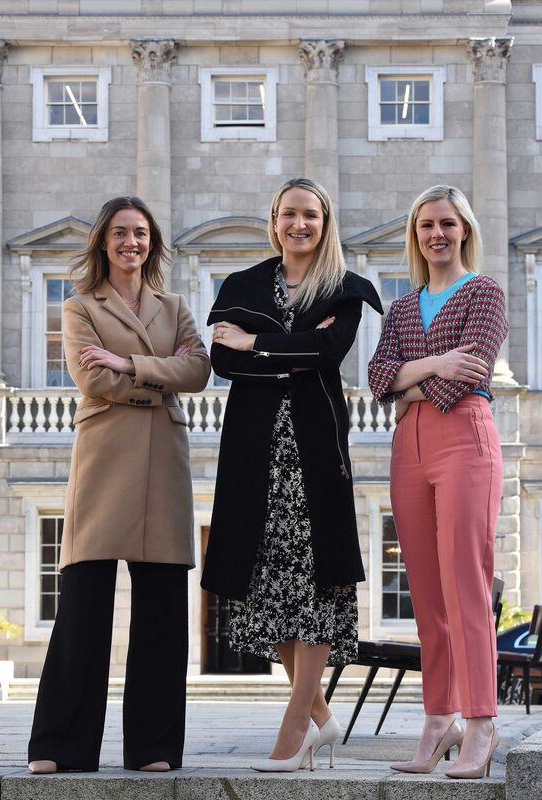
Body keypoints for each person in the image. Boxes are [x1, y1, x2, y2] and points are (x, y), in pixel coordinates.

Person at [201, 177, 383, 772]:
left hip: (315, 453)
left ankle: (295, 727)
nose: (299, 224)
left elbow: (327, 354)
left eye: (310, 214)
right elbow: (222, 361)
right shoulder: (242, 284)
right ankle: (323, 720)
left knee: (317, 581)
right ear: (273, 220)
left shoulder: (344, 289)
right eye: (288, 214)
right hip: (254, 452)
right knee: (264, 581)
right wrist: (290, 350)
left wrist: (254, 341)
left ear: (325, 223)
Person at [28, 196, 210, 773]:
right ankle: (59, 745)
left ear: (152, 243)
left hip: (163, 458)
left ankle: (153, 747)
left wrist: (129, 364)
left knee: (161, 608)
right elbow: (91, 379)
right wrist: (159, 374)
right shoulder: (80, 305)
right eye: (120, 233)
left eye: (141, 233)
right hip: (104, 457)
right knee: (83, 604)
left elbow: (199, 370)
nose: (131, 242)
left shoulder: (175, 306)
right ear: (104, 243)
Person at [368, 185, 508, 780]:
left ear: (465, 230)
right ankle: (437, 719)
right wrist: (431, 365)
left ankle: (480, 722)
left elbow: (469, 372)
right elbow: (377, 379)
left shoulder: (484, 293)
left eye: (448, 223)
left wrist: (411, 384)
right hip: (409, 449)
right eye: (426, 224)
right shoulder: (402, 307)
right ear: (416, 234)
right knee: (425, 592)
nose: (437, 234)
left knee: (465, 586)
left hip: (464, 439)